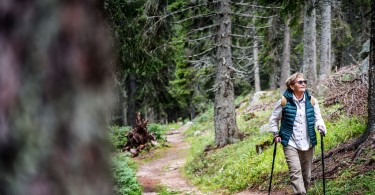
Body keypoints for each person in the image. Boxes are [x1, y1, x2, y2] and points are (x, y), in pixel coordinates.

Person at [269, 72, 326, 195]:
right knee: (295, 173)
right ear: (291, 86)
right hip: (290, 142)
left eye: (304, 81)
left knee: (306, 176)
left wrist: (321, 126)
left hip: (308, 142)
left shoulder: (311, 100)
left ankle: (302, 192)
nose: (303, 84)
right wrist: (275, 134)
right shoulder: (283, 101)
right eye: (300, 82)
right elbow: (273, 119)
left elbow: (318, 118)